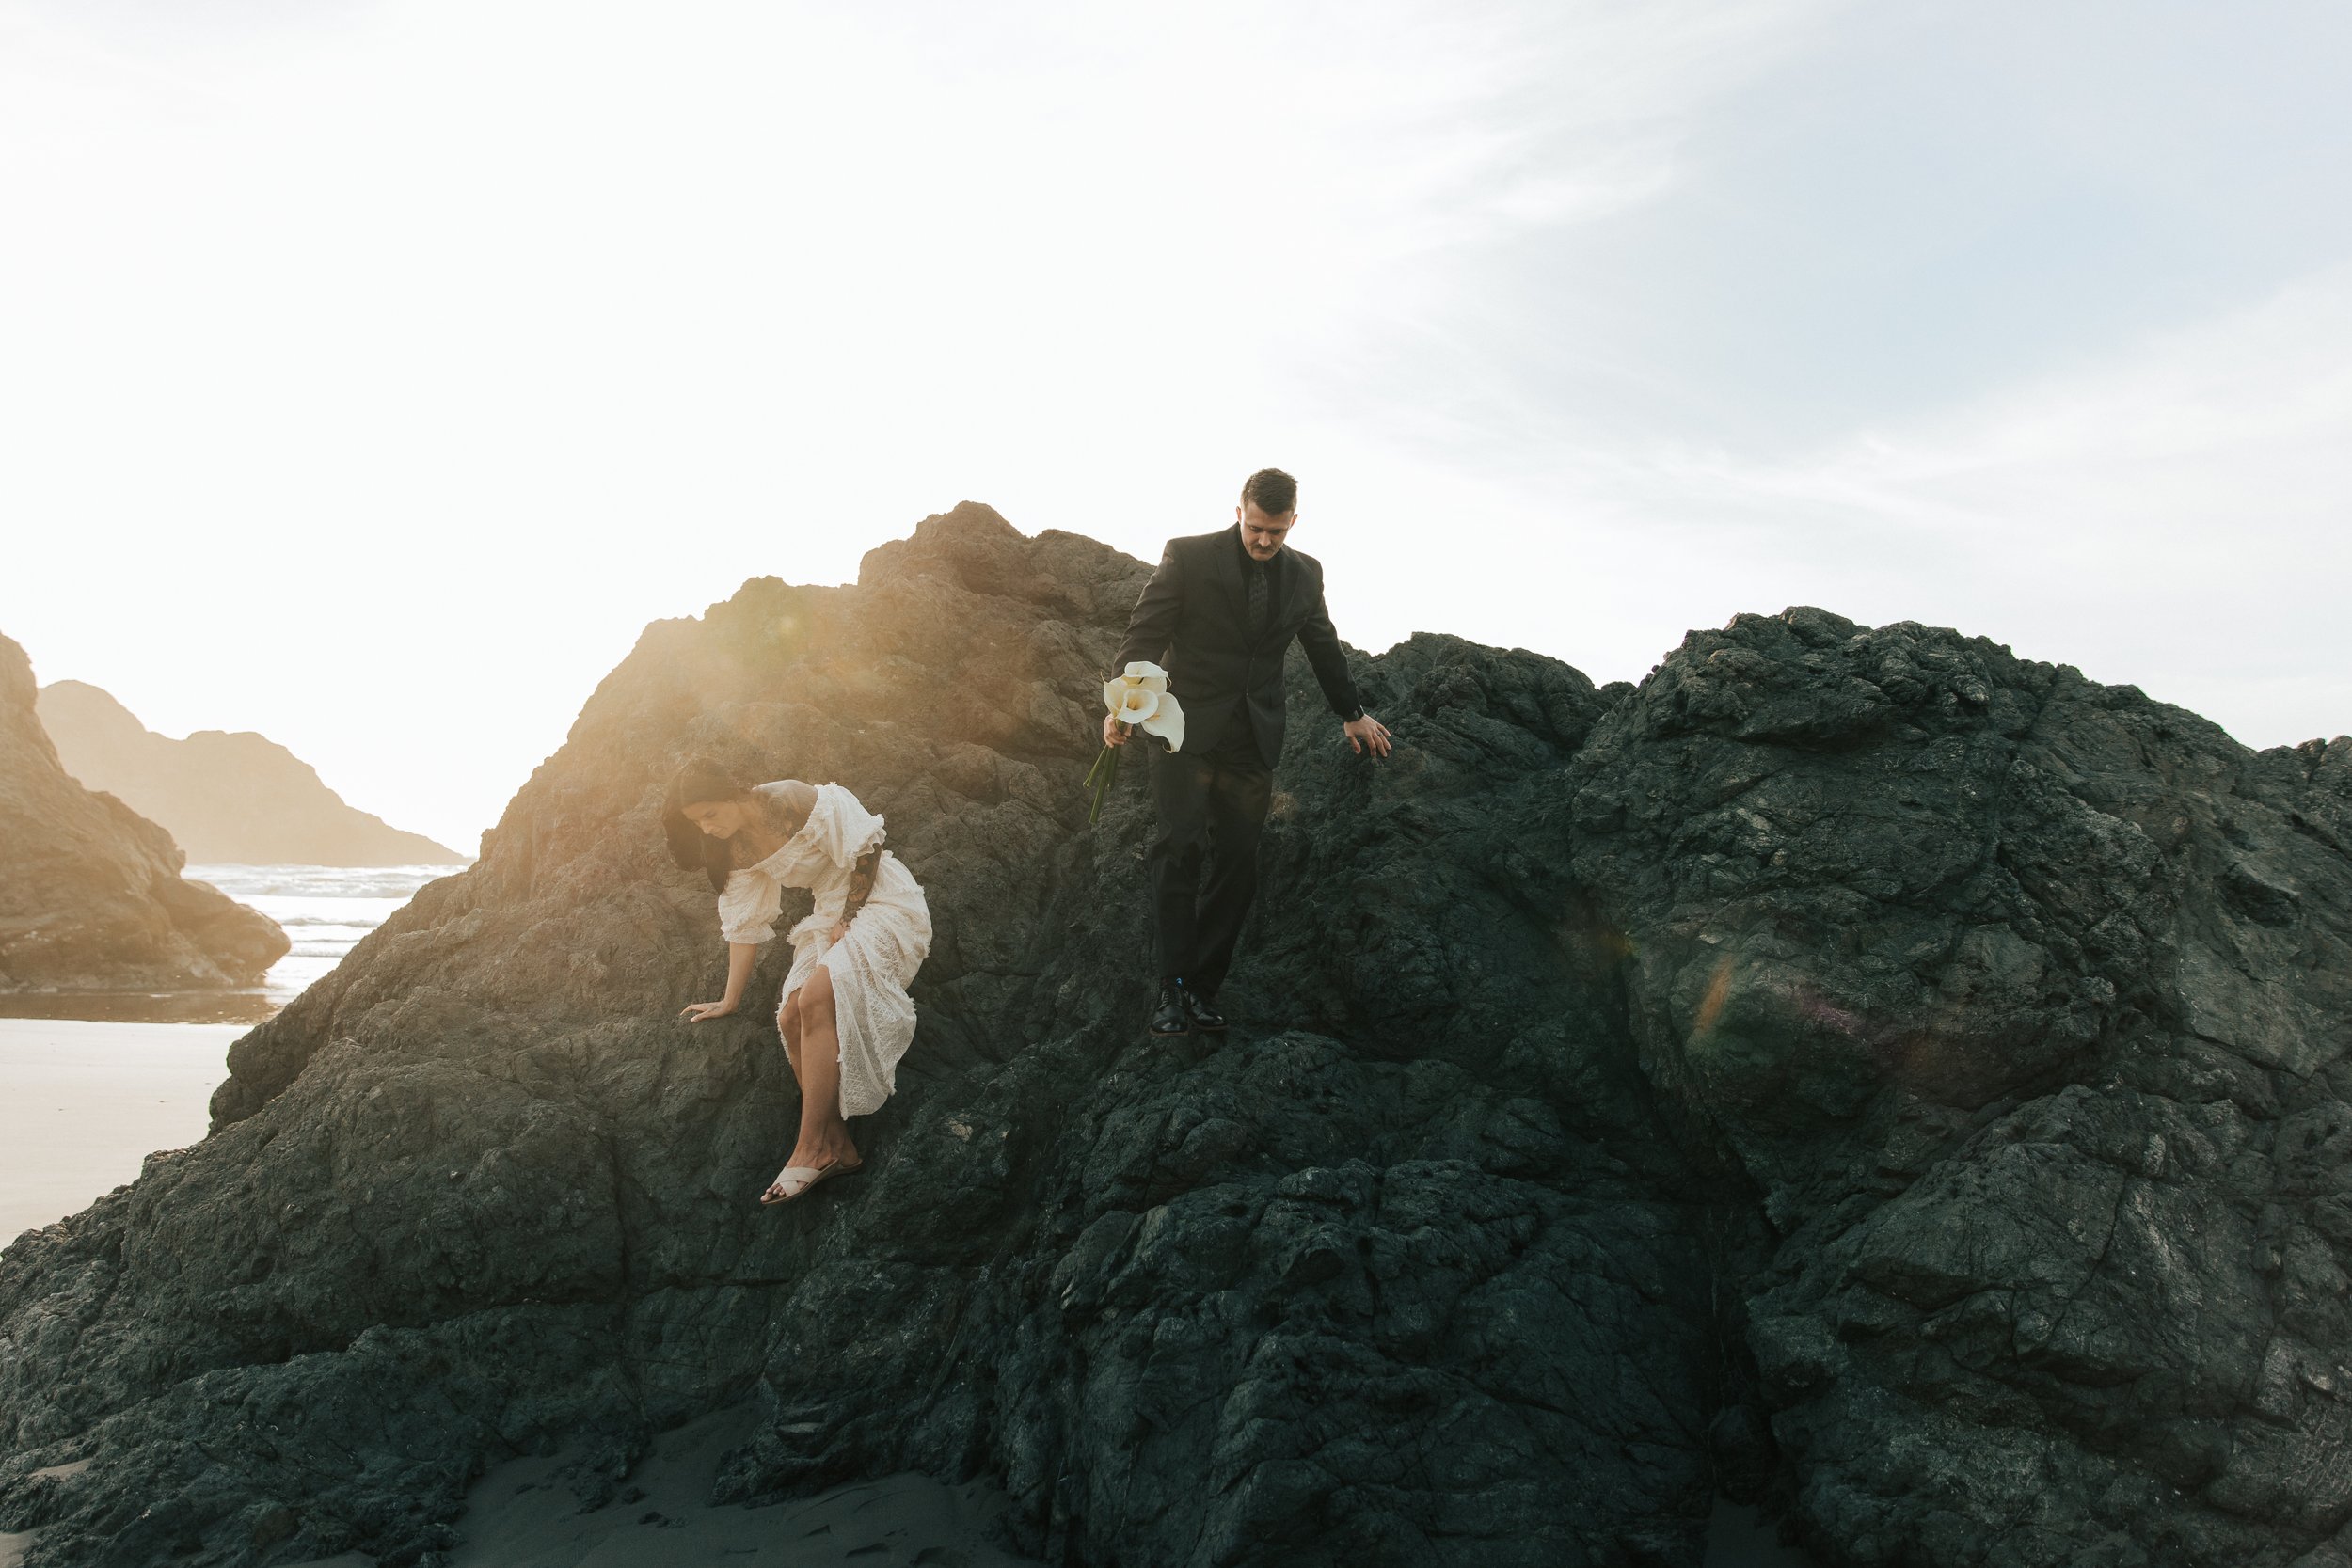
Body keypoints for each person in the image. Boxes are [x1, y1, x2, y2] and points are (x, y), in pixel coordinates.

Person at [1105, 467, 1393, 1038]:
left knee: (1238, 864)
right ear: (1240, 510)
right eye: (1257, 528)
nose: (1265, 541)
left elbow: (1323, 646)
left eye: (1277, 533)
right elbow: (1145, 631)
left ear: (1293, 523)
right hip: (1180, 729)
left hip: (1254, 738)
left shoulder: (1306, 574)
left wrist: (1351, 711)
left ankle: (1205, 990)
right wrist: (1122, 701)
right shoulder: (1187, 556)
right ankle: (1173, 988)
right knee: (1178, 847)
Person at [661, 757, 932, 1203]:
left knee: (814, 1000)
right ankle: (839, 1146)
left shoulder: (790, 798)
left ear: (734, 791)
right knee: (789, 1017)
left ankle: (810, 1148)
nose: (707, 828)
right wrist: (729, 1000)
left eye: (710, 813)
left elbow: (867, 847)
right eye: (697, 822)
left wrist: (849, 916)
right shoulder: (735, 850)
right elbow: (744, 928)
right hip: (829, 913)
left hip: (880, 900)